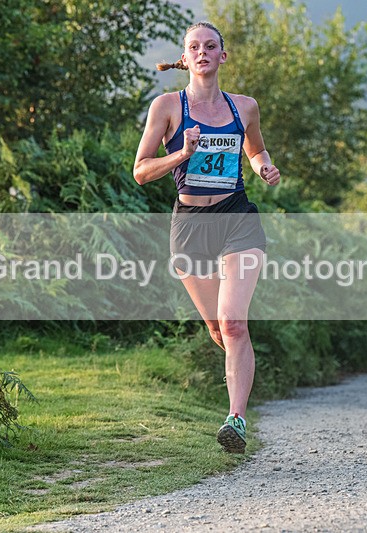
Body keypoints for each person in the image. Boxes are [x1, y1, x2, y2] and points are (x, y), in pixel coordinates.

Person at [133, 21, 280, 453]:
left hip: (237, 218)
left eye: (210, 46)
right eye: (194, 47)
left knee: (234, 322)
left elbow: (255, 148)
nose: (202, 52)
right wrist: (181, 153)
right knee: (218, 329)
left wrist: (262, 167)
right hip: (190, 223)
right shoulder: (166, 107)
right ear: (186, 57)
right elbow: (140, 171)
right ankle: (241, 372)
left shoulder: (245, 107)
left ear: (222, 56)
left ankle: (235, 420)